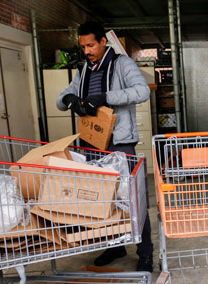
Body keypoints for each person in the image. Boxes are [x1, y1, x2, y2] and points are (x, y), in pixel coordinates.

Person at [56, 21, 154, 272]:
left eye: (91, 45)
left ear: (103, 42)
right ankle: (115, 246)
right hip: (93, 145)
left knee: (133, 199)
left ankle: (145, 253)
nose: (87, 50)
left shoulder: (122, 64)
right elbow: (61, 99)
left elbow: (142, 91)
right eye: (83, 46)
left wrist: (106, 97)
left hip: (120, 144)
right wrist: (69, 99)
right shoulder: (84, 70)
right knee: (104, 200)